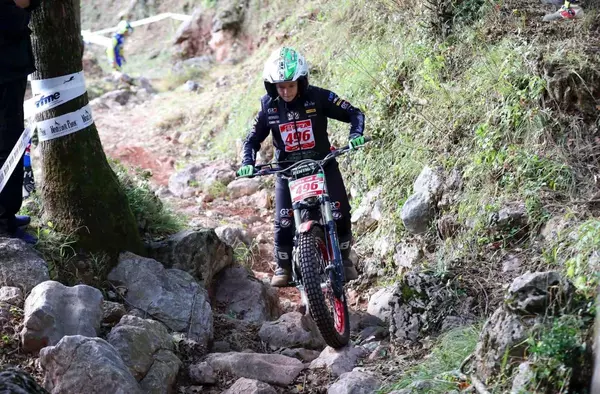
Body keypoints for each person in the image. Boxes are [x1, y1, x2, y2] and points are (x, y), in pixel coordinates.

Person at [237, 47, 366, 287]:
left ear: (302, 82)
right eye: (280, 87)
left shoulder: (319, 97)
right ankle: (283, 266)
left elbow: (354, 113)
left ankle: (345, 260)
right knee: (283, 222)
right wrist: (247, 162)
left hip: (322, 165)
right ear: (271, 86)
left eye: (291, 86)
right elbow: (251, 139)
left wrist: (356, 134)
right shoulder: (268, 107)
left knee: (340, 213)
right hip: (287, 171)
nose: (285, 91)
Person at [0, 0, 40, 244]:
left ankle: (7, 216)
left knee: (10, 139)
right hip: (4, 67)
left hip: (10, 65)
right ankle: (4, 223)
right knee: (6, 143)